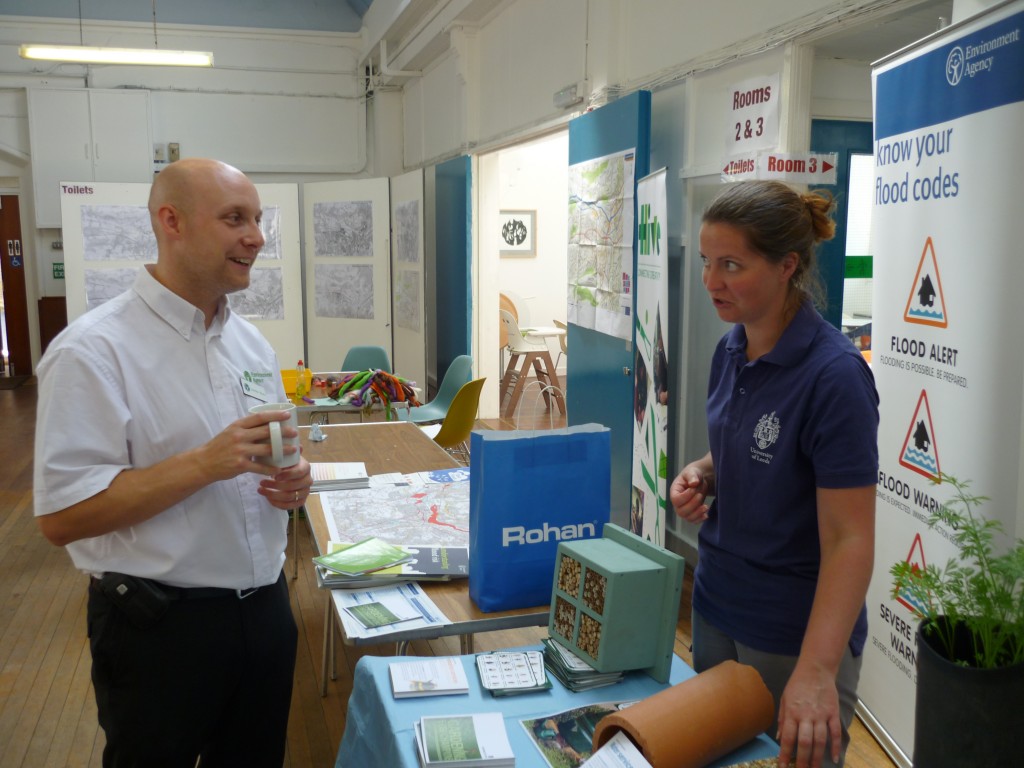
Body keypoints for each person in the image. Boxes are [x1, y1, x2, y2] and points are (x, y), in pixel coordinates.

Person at [34, 158, 312, 768]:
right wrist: (206, 464)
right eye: (235, 218)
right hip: (158, 629)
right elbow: (61, 518)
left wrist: (293, 481)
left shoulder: (251, 343)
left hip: (265, 611)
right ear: (171, 222)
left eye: (259, 219)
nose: (257, 236)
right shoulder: (92, 352)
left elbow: (267, 459)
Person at [670, 181, 878, 768]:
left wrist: (816, 672)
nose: (711, 281)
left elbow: (851, 538)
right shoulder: (731, 348)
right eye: (709, 262)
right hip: (717, 609)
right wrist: (703, 473)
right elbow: (748, 449)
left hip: (793, 636)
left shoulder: (835, 377)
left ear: (788, 265)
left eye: (732, 265)